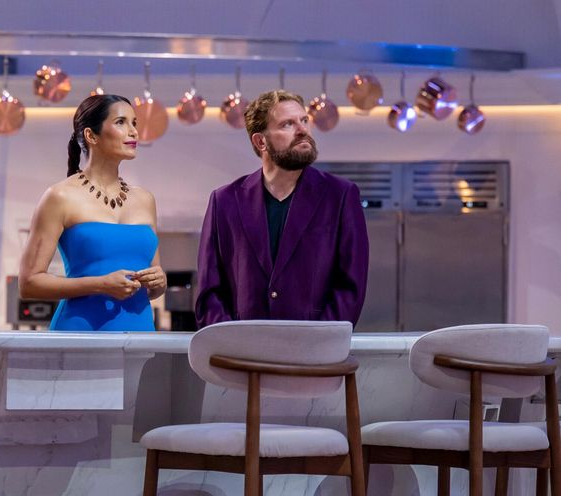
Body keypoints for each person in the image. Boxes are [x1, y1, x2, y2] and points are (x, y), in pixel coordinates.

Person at [196, 89, 368, 328]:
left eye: (304, 121)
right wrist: (231, 342)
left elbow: (351, 286)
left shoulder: (340, 196)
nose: (302, 130)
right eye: (287, 124)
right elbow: (209, 291)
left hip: (315, 355)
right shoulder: (224, 201)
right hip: (241, 356)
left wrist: (318, 342)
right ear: (260, 141)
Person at [19, 94, 166, 331]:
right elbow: (29, 283)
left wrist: (160, 282)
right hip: (79, 333)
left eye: (134, 123)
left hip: (139, 333)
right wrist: (100, 284)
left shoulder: (145, 199)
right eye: (121, 122)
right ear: (91, 135)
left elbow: (153, 280)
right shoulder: (60, 196)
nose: (134, 132)